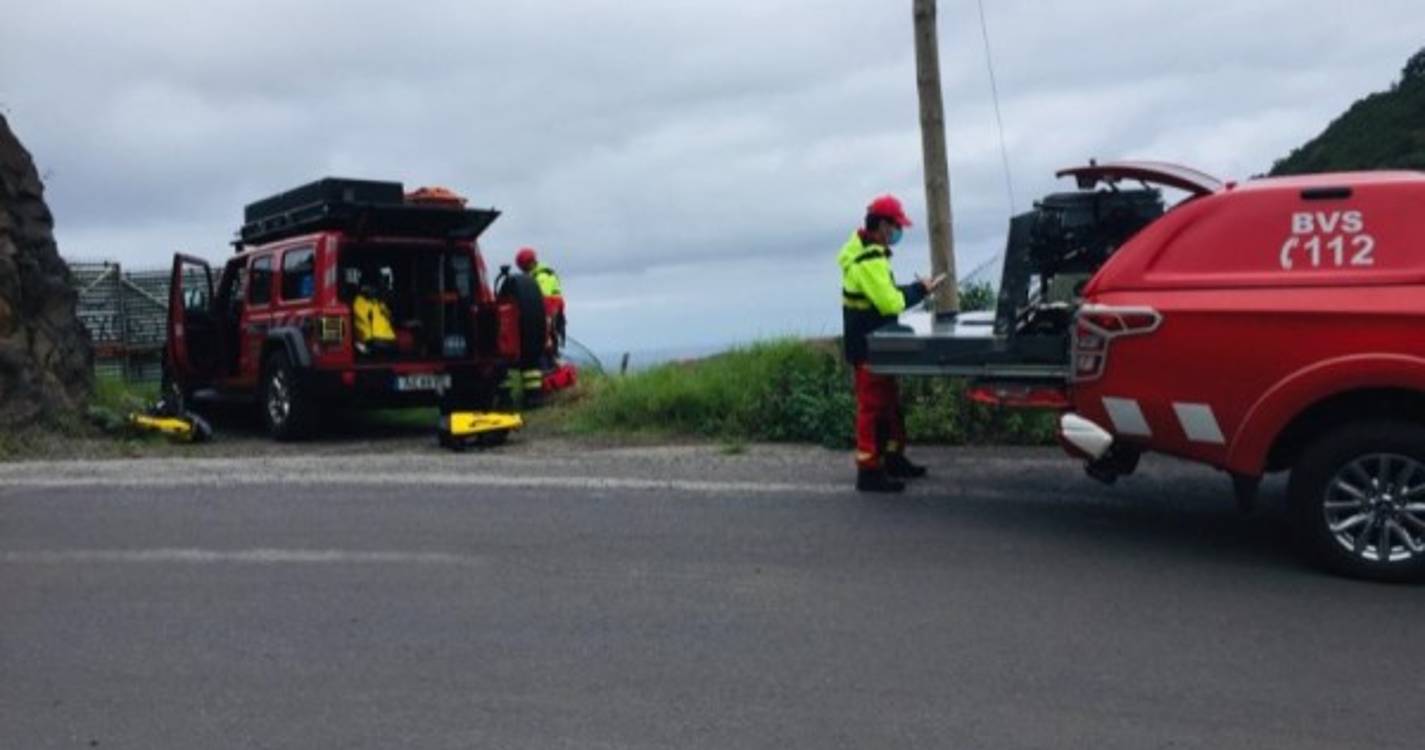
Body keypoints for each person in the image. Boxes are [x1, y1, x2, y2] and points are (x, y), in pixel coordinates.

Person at [839, 194, 945, 493]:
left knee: (889, 405)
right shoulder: (869, 260)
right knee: (873, 408)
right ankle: (869, 471)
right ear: (883, 226)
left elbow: (883, 293)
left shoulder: (868, 254)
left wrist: (915, 289)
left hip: (877, 345)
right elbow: (890, 303)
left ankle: (892, 458)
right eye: (896, 227)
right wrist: (920, 291)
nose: (898, 233)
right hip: (868, 347)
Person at [514, 247, 566, 394]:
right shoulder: (538, 275)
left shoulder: (542, 277)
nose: (522, 270)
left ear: (528, 263)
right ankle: (549, 386)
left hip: (548, 318)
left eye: (523, 267)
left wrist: (547, 325)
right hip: (546, 318)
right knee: (547, 351)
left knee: (547, 349)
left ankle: (552, 385)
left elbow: (545, 303)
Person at [351, 270, 397, 357]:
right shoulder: (364, 302)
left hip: (382, 341)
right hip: (382, 341)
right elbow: (362, 325)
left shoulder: (374, 302)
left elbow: (389, 318)